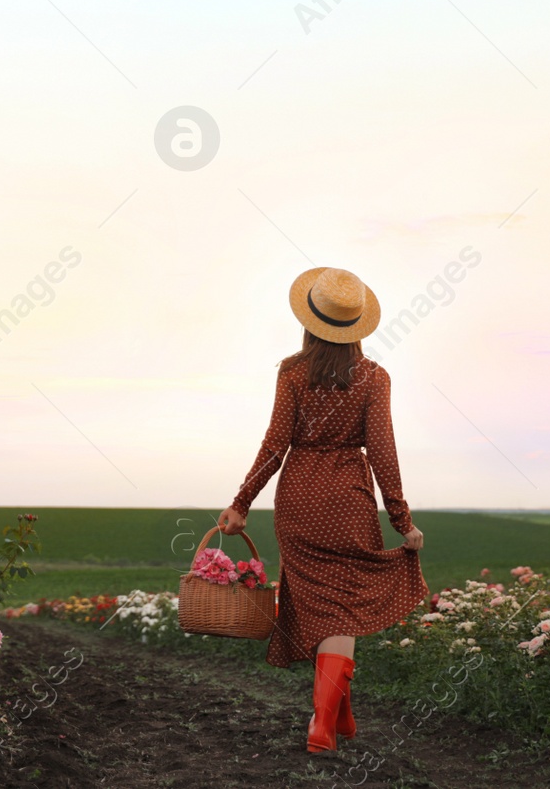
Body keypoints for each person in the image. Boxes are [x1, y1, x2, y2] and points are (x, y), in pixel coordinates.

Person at [217, 266, 428, 754]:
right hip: (350, 503)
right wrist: (402, 521)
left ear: (309, 322)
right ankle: (323, 723)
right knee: (342, 611)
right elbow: (383, 451)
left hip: (298, 502)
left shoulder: (292, 373)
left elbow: (275, 444)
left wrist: (240, 502)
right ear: (357, 327)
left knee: (321, 609)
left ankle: (336, 717)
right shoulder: (375, 378)